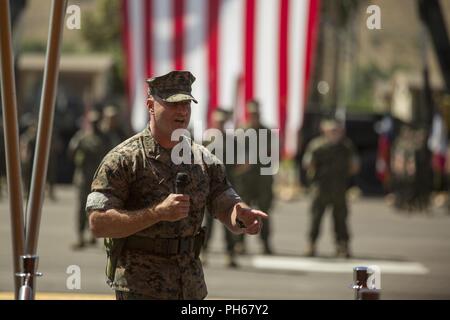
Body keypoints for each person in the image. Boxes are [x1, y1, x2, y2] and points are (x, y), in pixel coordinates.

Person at [86, 70, 268, 300]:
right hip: (141, 288)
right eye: (173, 104)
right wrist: (157, 213)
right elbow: (98, 223)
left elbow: (223, 198)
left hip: (190, 286)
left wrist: (238, 214)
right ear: (151, 105)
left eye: (187, 104)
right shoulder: (124, 159)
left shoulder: (203, 158)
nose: (182, 111)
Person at [302, 118, 360, 258]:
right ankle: (311, 244)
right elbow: (307, 164)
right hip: (321, 189)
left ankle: (342, 245)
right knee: (316, 219)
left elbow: (354, 166)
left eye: (337, 130)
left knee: (341, 220)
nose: (335, 133)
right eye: (332, 130)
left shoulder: (346, 146)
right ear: (325, 131)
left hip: (339, 189)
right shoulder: (317, 146)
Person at [233, 100, 275, 255]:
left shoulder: (267, 132)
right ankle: (239, 244)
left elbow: (273, 155)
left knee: (264, 212)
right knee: (243, 212)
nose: (254, 117)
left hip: (263, 179)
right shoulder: (241, 131)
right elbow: (234, 154)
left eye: (256, 114)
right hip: (245, 180)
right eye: (252, 114)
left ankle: (266, 243)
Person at [68, 110, 112, 249]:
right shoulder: (82, 137)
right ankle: (80, 236)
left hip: (98, 179)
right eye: (92, 122)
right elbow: (71, 150)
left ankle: (92, 234)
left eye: (96, 122)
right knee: (82, 207)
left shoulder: (104, 138)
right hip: (83, 177)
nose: (94, 125)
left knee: (97, 207)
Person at [202, 107, 239, 267]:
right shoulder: (207, 140)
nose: (220, 124)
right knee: (207, 224)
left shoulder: (232, 141)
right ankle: (203, 253)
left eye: (223, 121)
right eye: (218, 121)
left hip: (227, 188)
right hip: (210, 189)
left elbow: (241, 163)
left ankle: (230, 255)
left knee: (229, 222)